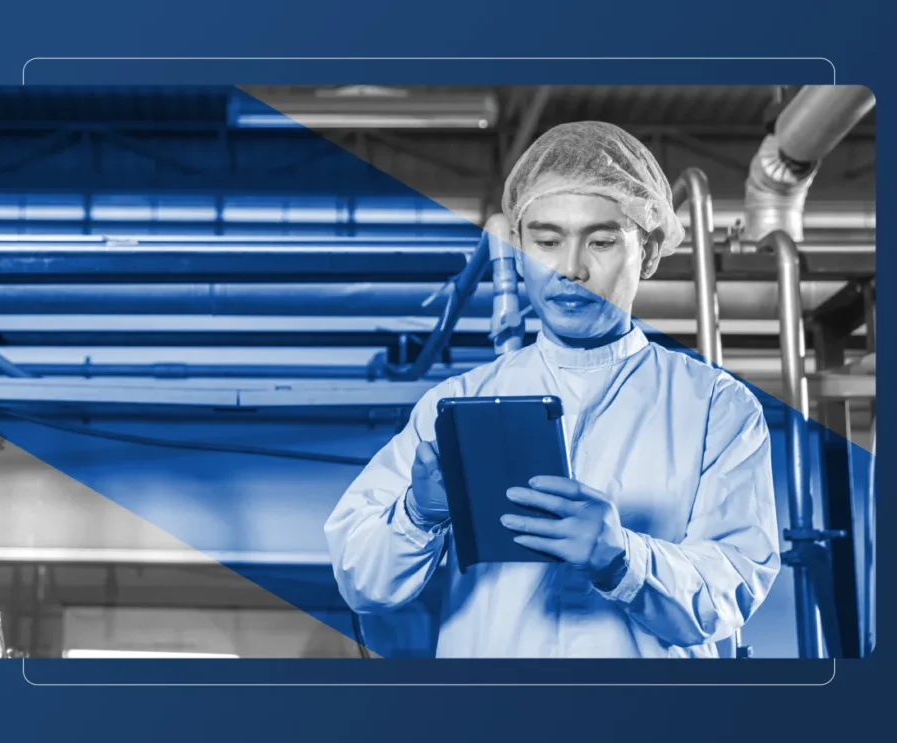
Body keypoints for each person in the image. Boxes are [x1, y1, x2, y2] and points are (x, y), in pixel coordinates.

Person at [324, 121, 780, 658]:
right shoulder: (455, 406)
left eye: (603, 241)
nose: (570, 269)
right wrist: (420, 513)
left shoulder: (716, 407)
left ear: (650, 252)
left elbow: (733, 587)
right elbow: (362, 581)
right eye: (546, 240)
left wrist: (620, 558)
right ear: (517, 250)